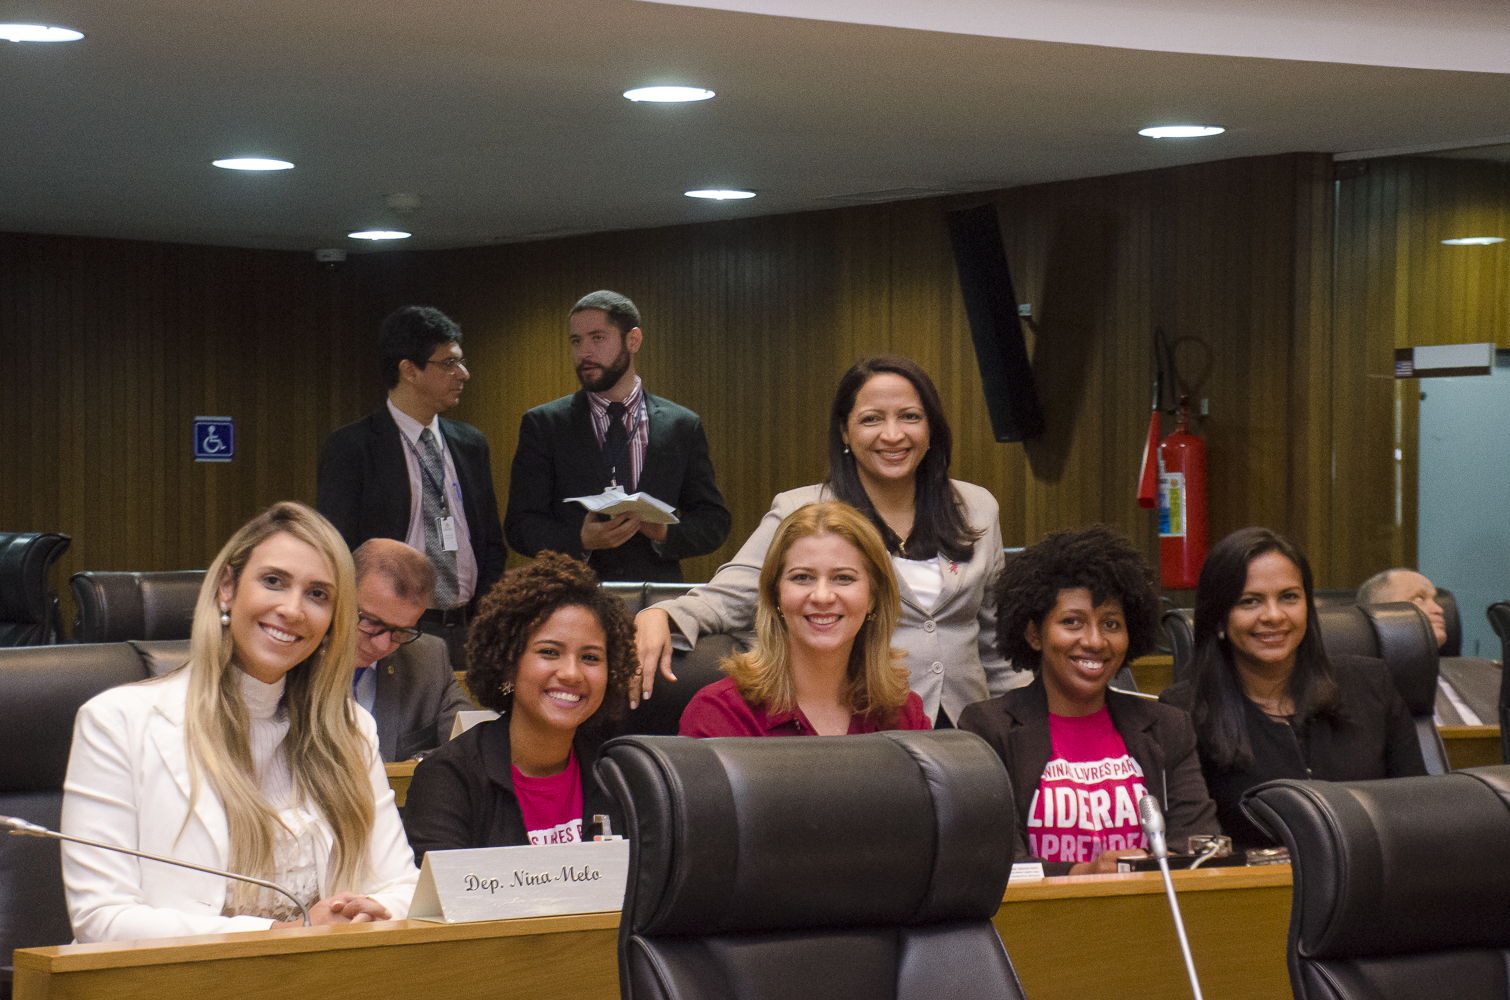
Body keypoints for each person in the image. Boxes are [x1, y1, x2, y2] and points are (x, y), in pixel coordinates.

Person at [61, 502, 418, 943]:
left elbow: (404, 887)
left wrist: (371, 913)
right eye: (273, 582)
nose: (293, 609)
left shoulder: (351, 729)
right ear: (227, 588)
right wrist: (283, 933)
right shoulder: (117, 723)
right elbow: (101, 919)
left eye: (318, 594)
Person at [637, 354, 1026, 725]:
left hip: (970, 729)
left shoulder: (977, 507)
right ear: (845, 430)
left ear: (931, 429)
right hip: (868, 724)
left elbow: (997, 644)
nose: (893, 435)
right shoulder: (804, 510)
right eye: (871, 419)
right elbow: (729, 596)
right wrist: (662, 614)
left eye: (910, 417)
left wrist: (1022, 730)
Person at [958, 525, 1218, 875]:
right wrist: (1084, 872)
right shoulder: (989, 729)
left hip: (1150, 916)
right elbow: (998, 863)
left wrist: (1153, 867)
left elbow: (1199, 845)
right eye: (1072, 622)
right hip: (1039, 923)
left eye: (1111, 624)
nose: (1095, 641)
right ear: (1035, 633)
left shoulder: (1167, 726)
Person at [1160, 527, 1428, 849]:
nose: (1273, 615)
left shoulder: (1371, 685)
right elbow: (1194, 849)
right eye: (1250, 602)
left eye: (1289, 597)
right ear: (1219, 620)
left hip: (1375, 886)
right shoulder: (1183, 713)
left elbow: (1417, 813)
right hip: (1258, 893)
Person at [402, 552, 639, 861]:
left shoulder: (621, 775)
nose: (571, 673)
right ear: (508, 663)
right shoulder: (449, 778)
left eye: (591, 657)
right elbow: (444, 905)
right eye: (550, 652)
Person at [317, 305, 507, 670]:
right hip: (389, 634)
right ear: (409, 370)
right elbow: (337, 549)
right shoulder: (353, 447)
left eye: (461, 362)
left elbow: (490, 544)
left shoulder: (470, 443)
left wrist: (488, 615)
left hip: (470, 629)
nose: (463, 374)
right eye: (448, 364)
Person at [503, 290, 730, 582]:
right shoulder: (545, 424)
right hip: (573, 599)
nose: (584, 352)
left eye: (597, 337)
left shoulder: (682, 425)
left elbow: (714, 522)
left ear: (633, 340)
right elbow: (520, 525)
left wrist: (665, 533)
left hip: (655, 603)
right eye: (576, 341)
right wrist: (580, 539)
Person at [679, 501, 930, 737]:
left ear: (873, 597)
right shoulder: (718, 715)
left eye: (843, 578)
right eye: (802, 577)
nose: (822, 596)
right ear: (774, 594)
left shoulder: (905, 715)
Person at [351, 539, 475, 761]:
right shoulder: (295, 655)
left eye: (400, 630)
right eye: (371, 621)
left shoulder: (429, 657)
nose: (383, 645)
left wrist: (420, 762)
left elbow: (473, 747)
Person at [1356, 568, 1448, 648]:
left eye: (1435, 599)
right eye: (1419, 598)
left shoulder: (1457, 666)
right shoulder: (1356, 667)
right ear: (1381, 612)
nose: (1439, 610)